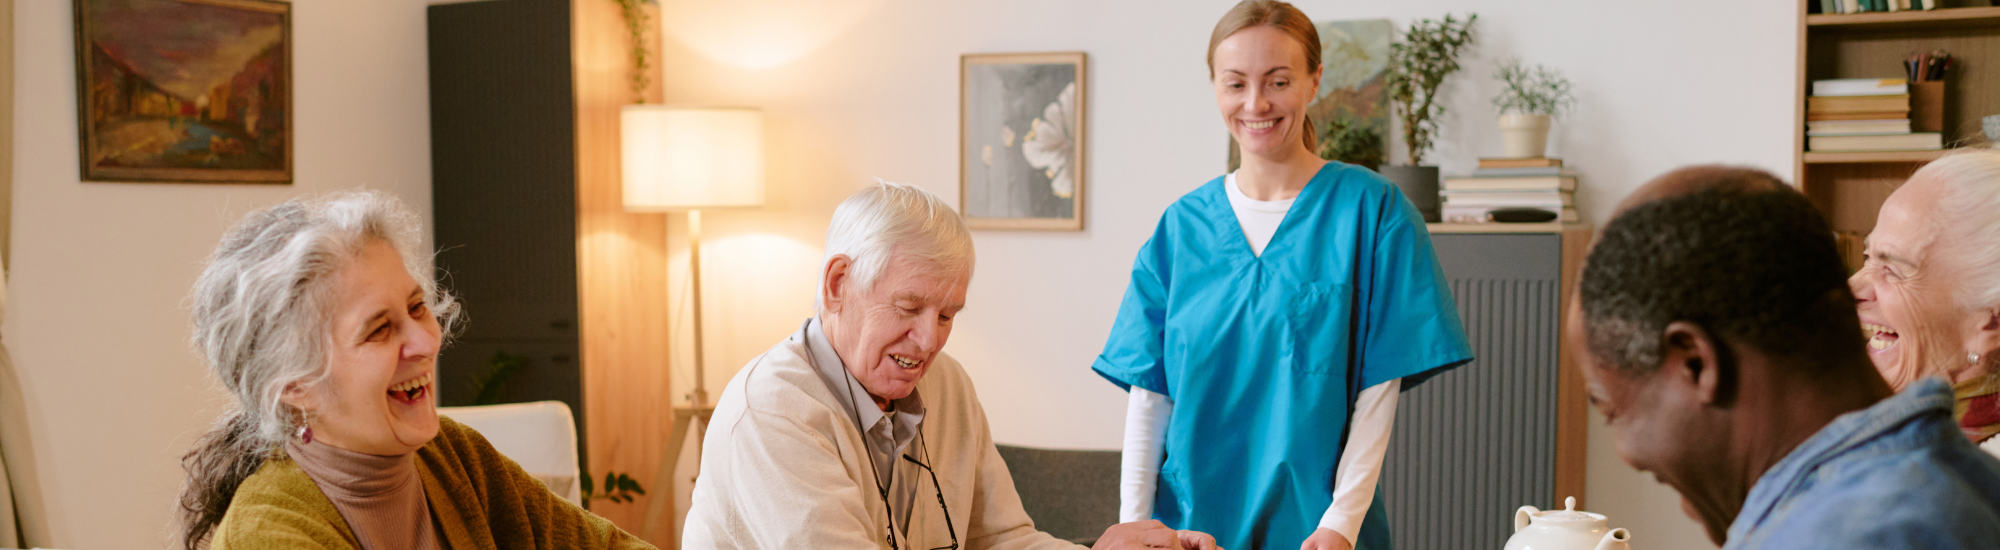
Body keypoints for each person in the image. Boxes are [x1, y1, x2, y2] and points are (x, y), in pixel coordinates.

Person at [1092, 2, 1472, 549]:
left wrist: (1340, 525)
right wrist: (1136, 527)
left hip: (1315, 529)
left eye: (1278, 81)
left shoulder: (1374, 213)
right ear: (1215, 88)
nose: (1256, 103)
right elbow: (1149, 395)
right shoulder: (1181, 229)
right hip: (1187, 529)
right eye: (1236, 83)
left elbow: (1377, 391)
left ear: (1315, 80)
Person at [684, 182, 1219, 550]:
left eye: (946, 314)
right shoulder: (772, 414)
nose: (928, 340)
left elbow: (1003, 539)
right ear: (837, 284)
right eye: (909, 307)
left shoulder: (948, 386)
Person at [176, 191, 649, 550]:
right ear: (295, 386)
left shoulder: (453, 456)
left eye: (417, 307)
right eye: (379, 330)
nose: (425, 342)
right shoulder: (268, 535)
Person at [1569, 165, 2000, 549]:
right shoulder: (1966, 481)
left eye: (1609, 409)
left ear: (1697, 363)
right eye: (1867, 259)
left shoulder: (1845, 534)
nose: (1624, 452)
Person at [1849, 149, 2000, 455]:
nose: (1852, 287)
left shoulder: (1953, 483)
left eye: (1891, 268)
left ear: (1992, 325)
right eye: (1868, 256)